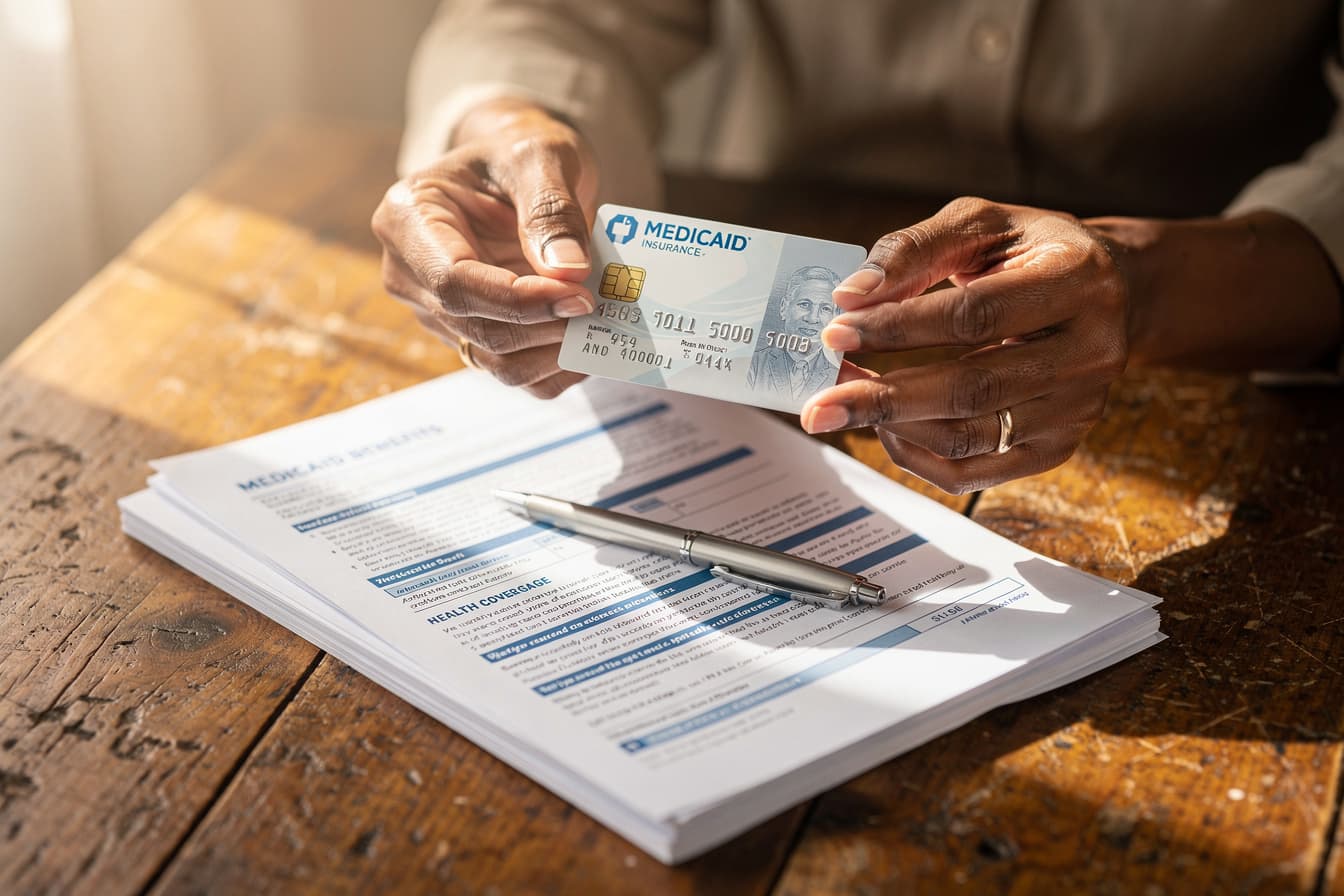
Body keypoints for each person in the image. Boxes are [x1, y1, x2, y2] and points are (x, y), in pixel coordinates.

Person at [372, 1, 1344, 494]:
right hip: (745, 383)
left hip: (1235, 355)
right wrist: (503, 122)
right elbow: (555, 15)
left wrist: (1150, 278)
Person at [747, 265, 843, 402]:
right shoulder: (753, 365)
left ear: (835, 317)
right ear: (784, 308)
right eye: (804, 304)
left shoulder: (837, 378)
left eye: (825, 308)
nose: (812, 318)